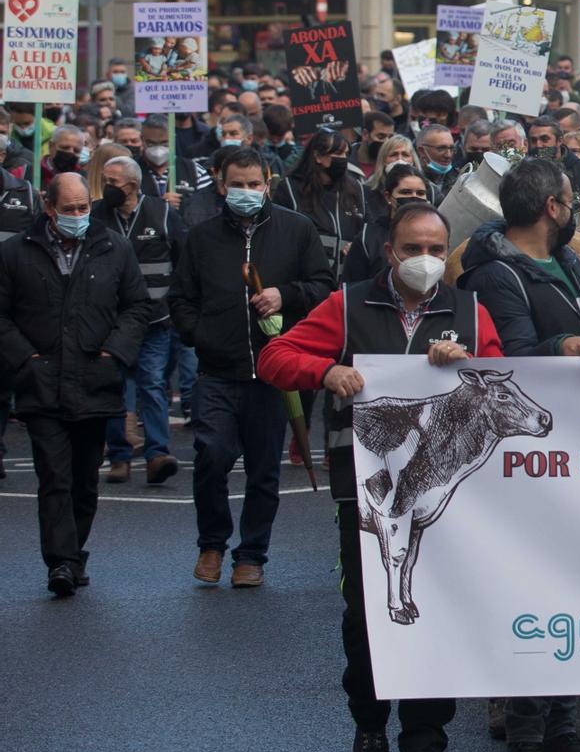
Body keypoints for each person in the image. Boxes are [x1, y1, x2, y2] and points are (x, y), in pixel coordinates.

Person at [256, 201, 501, 752]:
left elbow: (502, 376)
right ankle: (369, 720)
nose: (425, 260)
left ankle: (425, 751)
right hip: (364, 494)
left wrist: (468, 361)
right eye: (413, 249)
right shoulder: (347, 305)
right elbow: (273, 357)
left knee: (431, 612)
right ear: (389, 251)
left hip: (443, 498)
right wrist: (325, 372)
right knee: (367, 617)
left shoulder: (467, 310)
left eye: (437, 250)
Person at [455, 156, 580, 752]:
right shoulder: (496, 278)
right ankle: (524, 732)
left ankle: (562, 725)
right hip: (527, 459)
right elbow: (507, 361)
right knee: (531, 589)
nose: (573, 210)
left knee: (575, 587)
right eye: (570, 200)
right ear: (552, 206)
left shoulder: (572, 265)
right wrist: (560, 347)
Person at [168, 147, 334, 588]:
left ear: (267, 184)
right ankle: (212, 543)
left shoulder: (296, 230)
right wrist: (200, 335)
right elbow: (180, 299)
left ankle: (252, 554)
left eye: (253, 184)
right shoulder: (201, 238)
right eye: (236, 184)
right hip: (217, 371)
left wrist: (286, 295)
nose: (245, 192)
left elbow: (323, 287)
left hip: (273, 373)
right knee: (211, 454)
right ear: (221, 184)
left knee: (264, 469)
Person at [0, 173, 152, 596]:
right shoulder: (16, 253)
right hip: (41, 382)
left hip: (95, 380)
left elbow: (136, 306)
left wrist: (114, 353)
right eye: (69, 209)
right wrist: (25, 359)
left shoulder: (113, 247)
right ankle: (61, 562)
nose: (78, 216)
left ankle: (74, 552)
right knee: (54, 477)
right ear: (49, 208)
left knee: (85, 479)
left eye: (83, 207)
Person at [96, 156, 184, 485]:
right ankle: (119, 456)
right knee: (116, 388)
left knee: (152, 386)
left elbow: (183, 260)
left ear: (132, 186)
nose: (107, 188)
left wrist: (176, 306)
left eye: (113, 182)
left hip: (154, 320)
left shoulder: (162, 214)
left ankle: (157, 454)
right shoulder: (96, 215)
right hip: (111, 323)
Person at [275, 128, 366, 273]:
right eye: (337, 153)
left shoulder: (355, 188)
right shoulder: (290, 188)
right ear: (318, 156)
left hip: (345, 278)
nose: (343, 159)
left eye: (346, 154)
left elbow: (366, 229)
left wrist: (358, 245)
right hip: (305, 278)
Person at [342, 166, 433, 285]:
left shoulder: (434, 236)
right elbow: (351, 290)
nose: (414, 197)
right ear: (388, 197)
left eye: (420, 193)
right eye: (405, 192)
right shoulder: (367, 238)